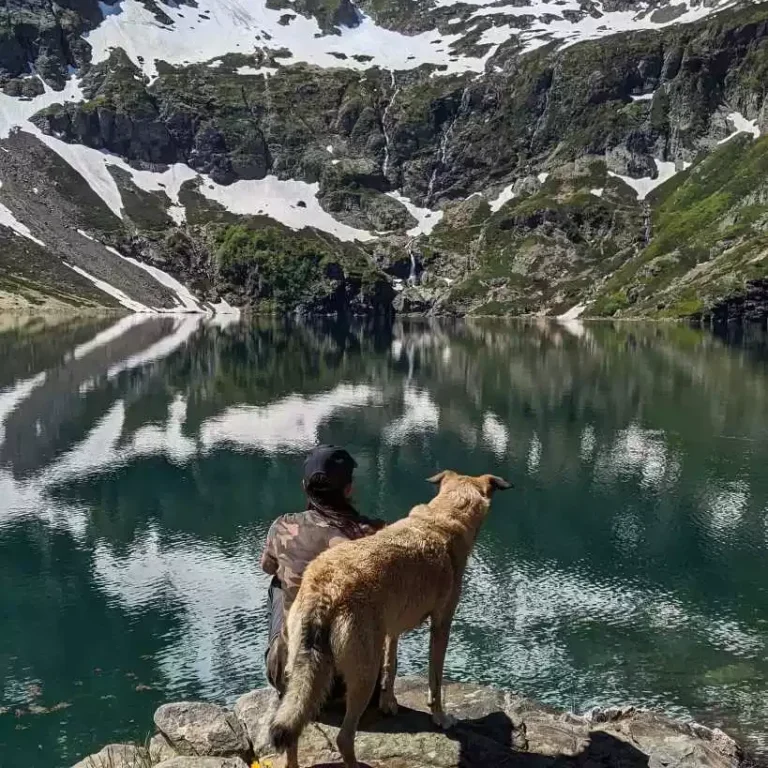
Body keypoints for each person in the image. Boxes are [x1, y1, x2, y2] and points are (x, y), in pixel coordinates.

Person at [260, 444, 385, 697]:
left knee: (277, 583)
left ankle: (283, 655)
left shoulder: (283, 526)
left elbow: (267, 566)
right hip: (353, 689)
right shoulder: (375, 535)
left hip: (289, 680)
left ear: (304, 486)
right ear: (349, 488)